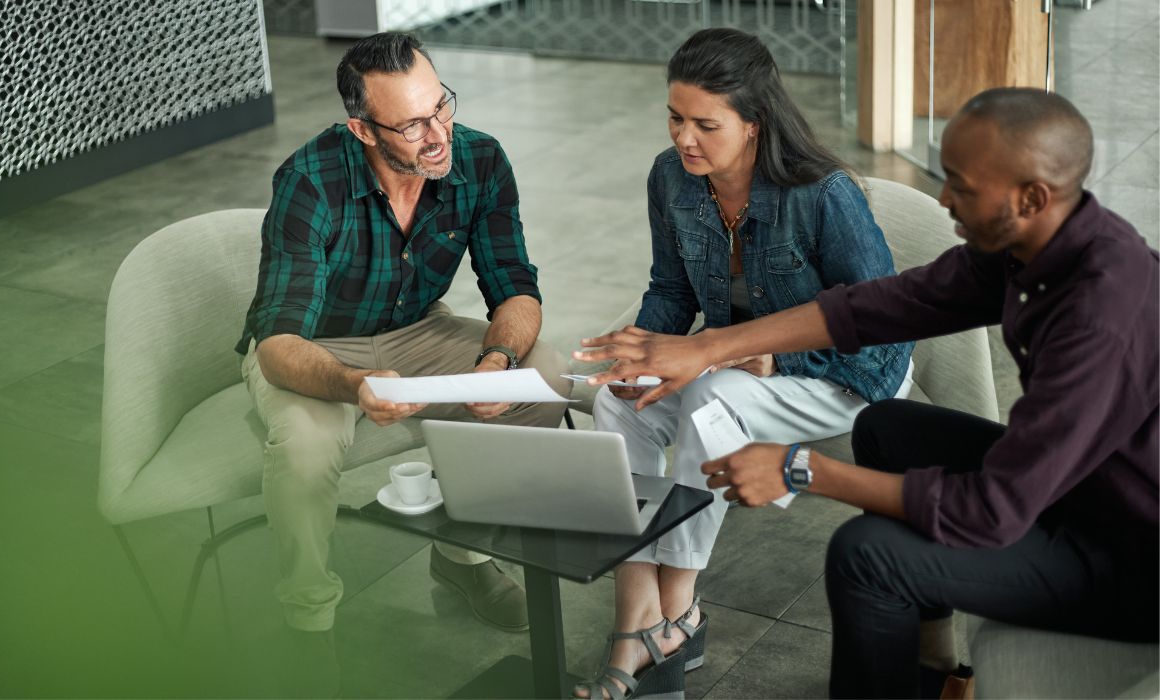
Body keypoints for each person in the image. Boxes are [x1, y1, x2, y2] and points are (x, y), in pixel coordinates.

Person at [576, 86, 1159, 698]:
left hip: (1128, 558)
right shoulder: (1038, 244)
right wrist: (709, 347)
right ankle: (930, 673)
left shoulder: (1099, 315)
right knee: (891, 428)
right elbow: (883, 306)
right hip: (1081, 492)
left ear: (1032, 196)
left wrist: (802, 470)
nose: (943, 197)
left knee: (865, 554)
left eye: (960, 184)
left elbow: (990, 511)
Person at [573, 28, 913, 700]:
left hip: (845, 373)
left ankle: (676, 614)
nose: (683, 138)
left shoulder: (823, 193)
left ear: (755, 124)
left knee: (712, 399)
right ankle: (639, 614)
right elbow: (672, 291)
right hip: (735, 361)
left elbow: (882, 332)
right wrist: (640, 347)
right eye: (674, 117)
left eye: (706, 124)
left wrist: (777, 356)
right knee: (618, 401)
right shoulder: (671, 179)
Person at [236, 32, 570, 688]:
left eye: (440, 106)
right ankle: (309, 620)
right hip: (317, 347)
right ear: (362, 128)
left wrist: (497, 359)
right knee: (304, 446)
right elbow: (277, 345)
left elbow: (517, 291)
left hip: (417, 329)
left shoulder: (479, 158)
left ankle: (461, 556)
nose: (438, 132)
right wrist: (355, 383)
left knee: (545, 375)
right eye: (414, 123)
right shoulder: (310, 179)